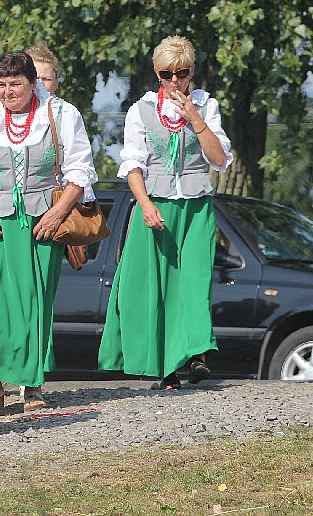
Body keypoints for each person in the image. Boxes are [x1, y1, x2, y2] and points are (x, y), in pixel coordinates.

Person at [0, 51, 97, 412]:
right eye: (1, 84)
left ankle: (31, 385)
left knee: (33, 301)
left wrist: (57, 213)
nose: (7, 92)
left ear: (33, 83)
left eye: (15, 84)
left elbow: (80, 172)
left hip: (42, 223)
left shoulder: (61, 115)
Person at [98, 36, 232, 389]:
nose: (175, 81)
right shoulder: (140, 110)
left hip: (195, 206)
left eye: (182, 72)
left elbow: (219, 161)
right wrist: (145, 206)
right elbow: (132, 165)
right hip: (154, 204)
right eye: (167, 74)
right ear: (157, 73)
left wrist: (195, 119)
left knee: (193, 282)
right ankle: (165, 367)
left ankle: (197, 356)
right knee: (155, 287)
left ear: (192, 72)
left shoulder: (207, 106)